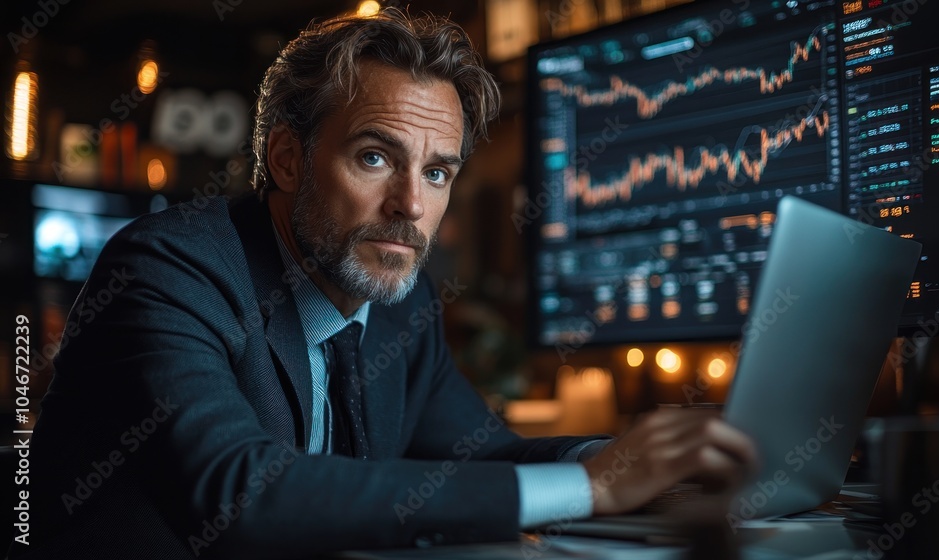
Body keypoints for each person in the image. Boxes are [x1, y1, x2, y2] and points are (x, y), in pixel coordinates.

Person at [11, 8, 756, 560]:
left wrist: (652, 458)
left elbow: (480, 457)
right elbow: (241, 491)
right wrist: (595, 488)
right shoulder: (169, 269)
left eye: (437, 173)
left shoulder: (403, 310)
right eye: (374, 158)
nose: (410, 205)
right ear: (290, 160)